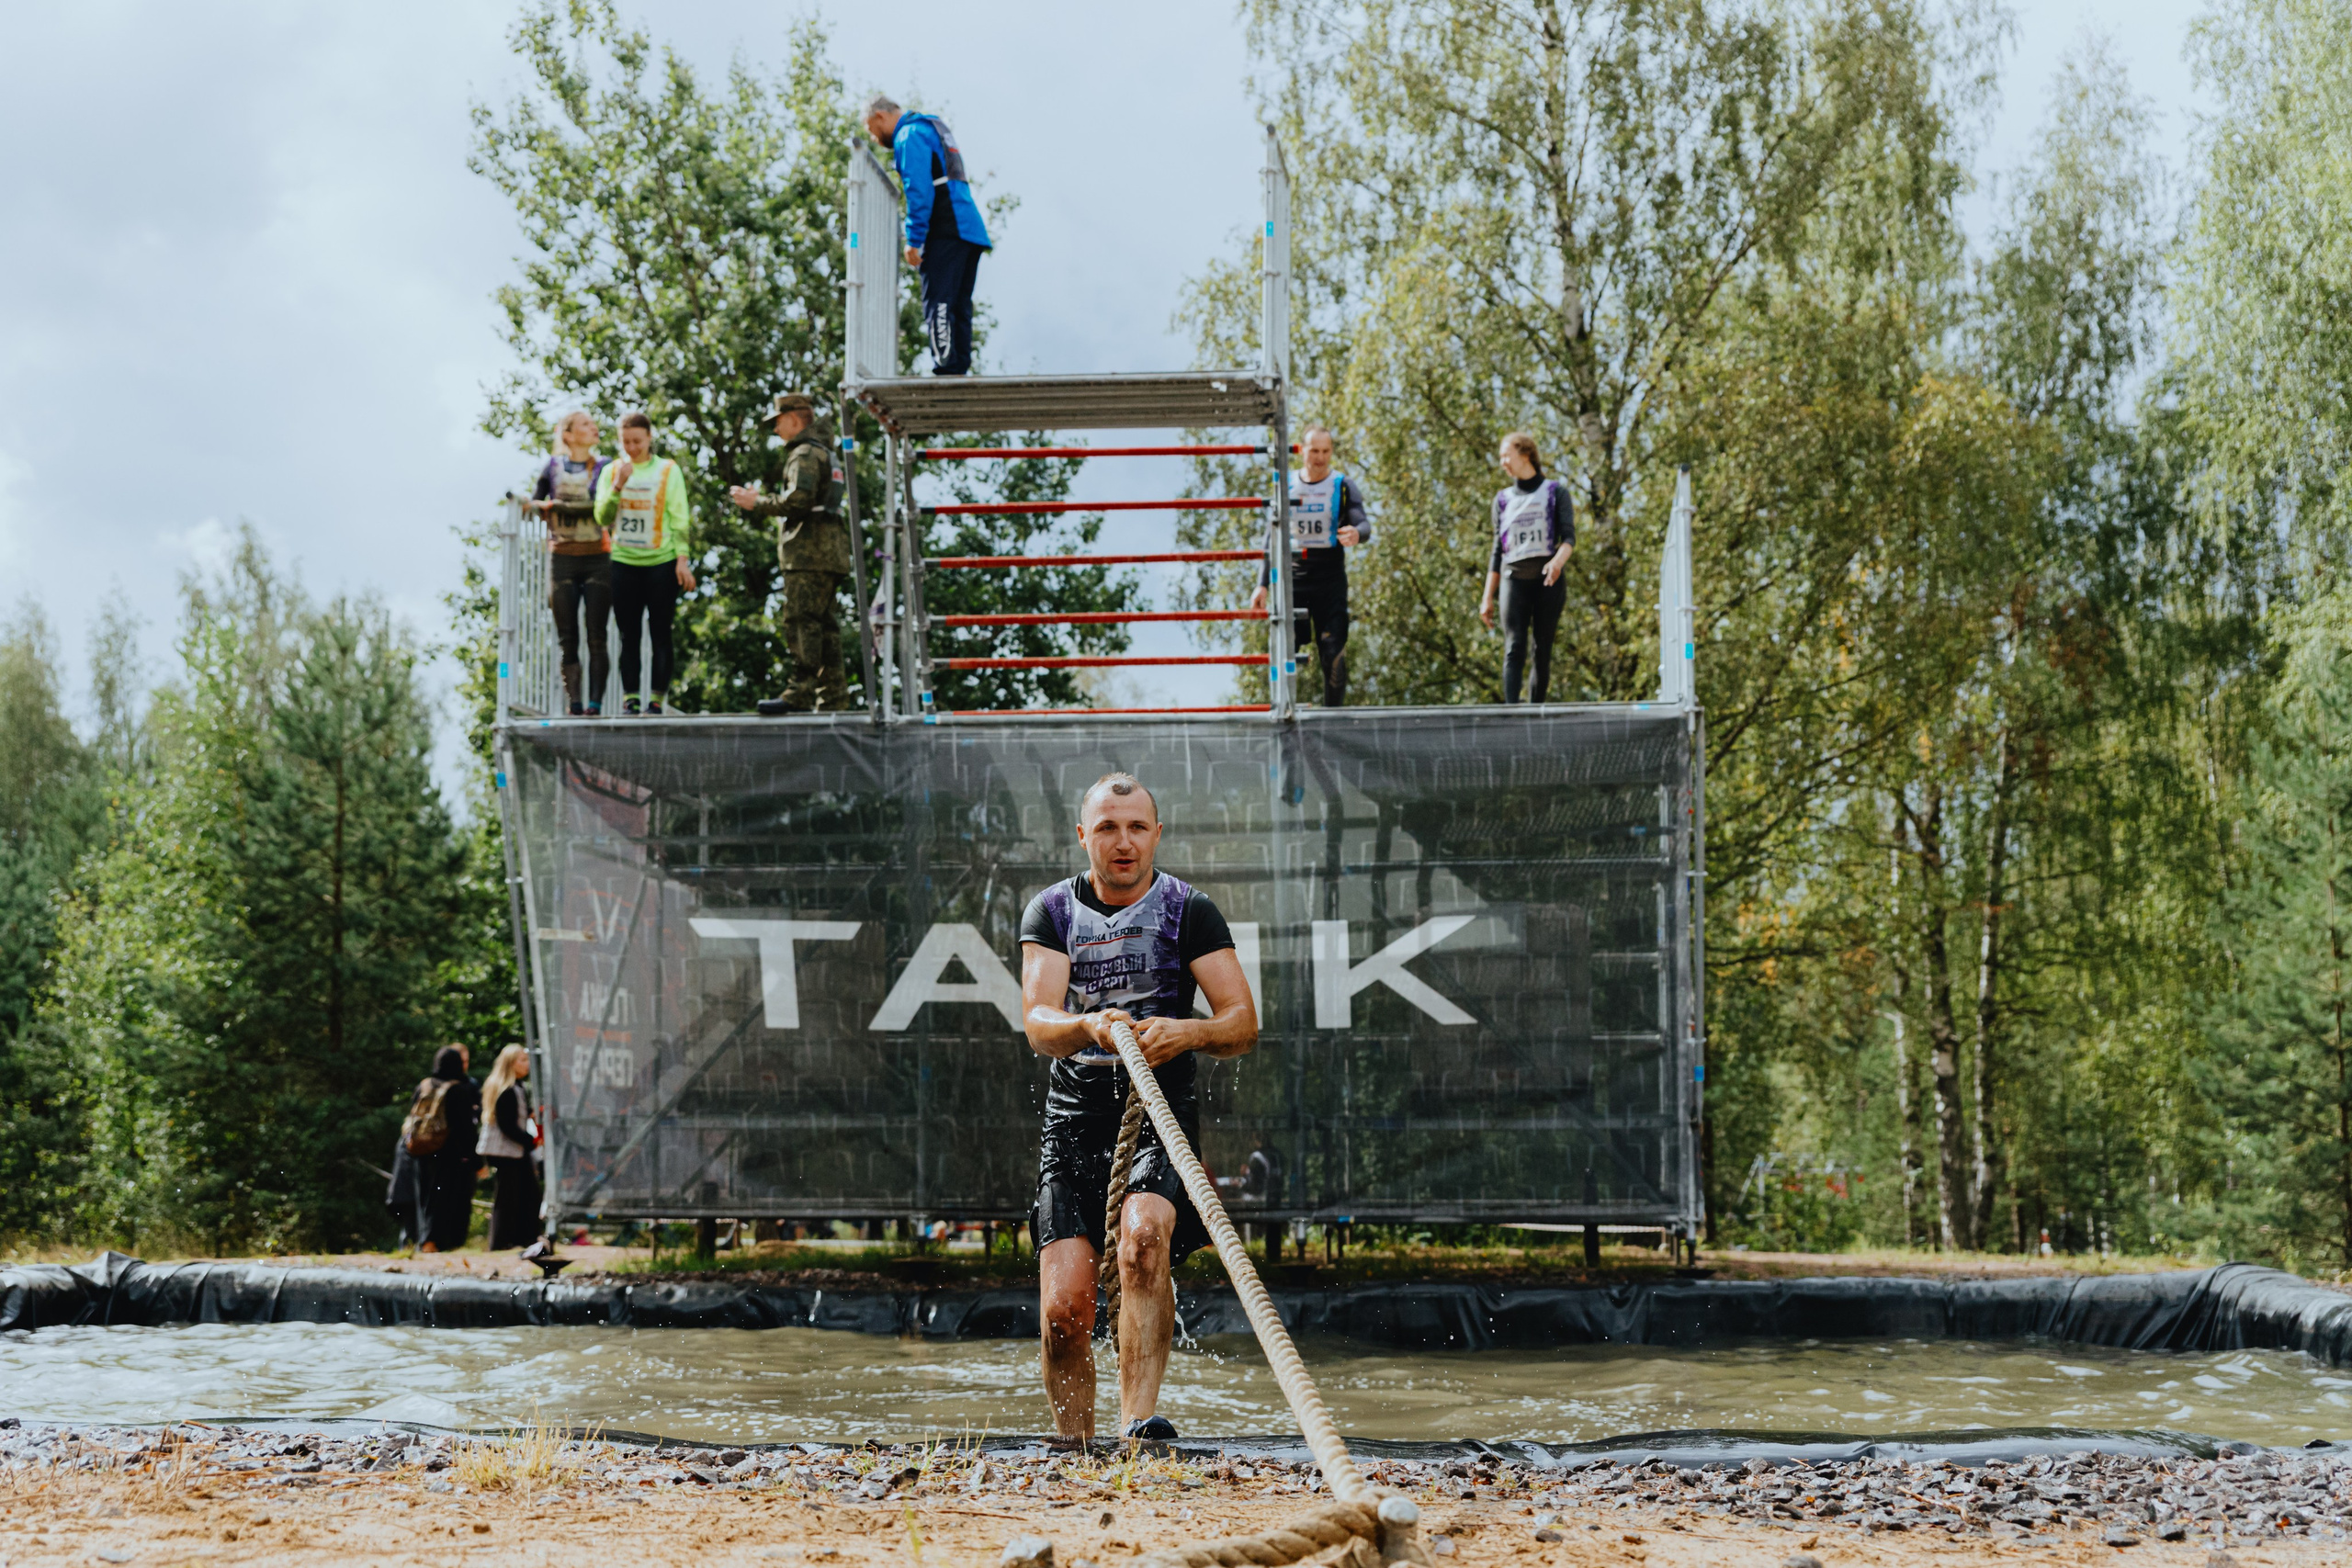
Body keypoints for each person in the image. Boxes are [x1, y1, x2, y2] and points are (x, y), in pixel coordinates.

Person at [1018, 773, 1258, 1442]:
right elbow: (1038, 1021)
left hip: (1159, 1098)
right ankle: (1075, 1445)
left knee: (1144, 1239)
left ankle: (1137, 1427)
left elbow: (1242, 1022)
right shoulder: (1052, 911)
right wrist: (1087, 1026)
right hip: (1075, 1107)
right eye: (1106, 827)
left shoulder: (1191, 910)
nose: (1122, 842)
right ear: (1083, 836)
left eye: (1135, 827)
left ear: (1156, 833)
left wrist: (1190, 1030)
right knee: (1066, 1307)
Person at [729, 393, 854, 715]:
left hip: (808, 553)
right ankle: (834, 697)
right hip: (831, 552)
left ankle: (799, 692)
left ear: (795, 420)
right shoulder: (826, 452)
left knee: (801, 621)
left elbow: (797, 501)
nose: (775, 430)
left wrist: (756, 502)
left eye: (778, 422)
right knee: (825, 627)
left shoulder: (804, 454)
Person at [863, 96, 994, 376]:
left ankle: (945, 369)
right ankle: (957, 367)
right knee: (958, 304)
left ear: (880, 117)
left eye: (871, 130)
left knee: (940, 300)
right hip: (968, 228)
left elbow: (918, 189)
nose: (873, 138)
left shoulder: (908, 135)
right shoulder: (931, 127)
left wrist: (914, 239)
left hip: (946, 228)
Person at [1250, 426, 1369, 706]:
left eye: (1326, 451)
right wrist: (1262, 582)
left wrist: (1357, 533)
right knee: (1288, 646)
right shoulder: (1286, 484)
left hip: (1330, 579)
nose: (1320, 457)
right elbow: (1272, 535)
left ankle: (1334, 716)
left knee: (1332, 651)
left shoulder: (1342, 485)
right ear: (1302, 450)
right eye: (1314, 451)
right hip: (1295, 578)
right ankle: (1284, 709)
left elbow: (1362, 521)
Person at [594, 411, 697, 715]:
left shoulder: (668, 470)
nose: (632, 447)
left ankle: (655, 700)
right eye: (626, 442)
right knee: (629, 634)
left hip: (661, 562)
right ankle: (631, 700)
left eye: (637, 441)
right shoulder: (612, 471)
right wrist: (617, 487)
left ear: (649, 438)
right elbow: (601, 517)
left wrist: (682, 559)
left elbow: (680, 516)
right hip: (624, 563)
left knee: (660, 631)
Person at [1476, 430, 1575, 704]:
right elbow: (1497, 551)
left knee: (1541, 649)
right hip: (1514, 579)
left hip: (1548, 580)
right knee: (1514, 646)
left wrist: (1557, 562)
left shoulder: (1556, 492)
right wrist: (1487, 597)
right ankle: (1511, 712)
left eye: (1506, 455)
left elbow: (1569, 538)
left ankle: (1536, 711)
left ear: (1525, 454)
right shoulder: (1502, 500)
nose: (1503, 463)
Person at [531, 411, 610, 716]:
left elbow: (604, 507)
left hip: (597, 558)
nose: (594, 428)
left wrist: (560, 508)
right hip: (562, 558)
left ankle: (595, 704)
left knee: (596, 634)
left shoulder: (604, 467)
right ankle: (574, 703)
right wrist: (544, 507)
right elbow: (538, 503)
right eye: (586, 425)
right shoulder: (551, 468)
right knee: (568, 637)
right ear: (568, 435)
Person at [409, 1045, 481, 1254]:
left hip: (421, 1152)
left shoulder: (423, 1086)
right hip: (449, 1155)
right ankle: (439, 1242)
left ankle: (424, 1240)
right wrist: (475, 1160)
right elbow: (465, 1129)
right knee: (446, 1199)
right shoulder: (458, 1090)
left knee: (425, 1198)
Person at [476, 1044, 542, 1251]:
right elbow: (507, 1125)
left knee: (525, 1193)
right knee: (509, 1196)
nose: (527, 1064)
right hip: (505, 1151)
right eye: (522, 1060)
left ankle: (522, 1238)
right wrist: (531, 1141)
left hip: (514, 1150)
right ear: (511, 1064)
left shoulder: (518, 1087)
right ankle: (502, 1241)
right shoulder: (506, 1089)